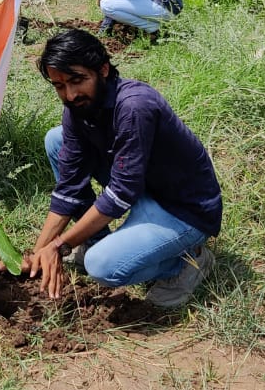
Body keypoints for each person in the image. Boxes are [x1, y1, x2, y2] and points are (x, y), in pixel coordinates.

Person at [25, 29, 222, 309]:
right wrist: (39, 253)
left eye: (77, 80)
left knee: (102, 267)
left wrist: (61, 246)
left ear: (103, 70)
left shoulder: (134, 106)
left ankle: (187, 263)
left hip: (182, 209)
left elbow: (120, 193)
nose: (69, 95)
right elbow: (69, 188)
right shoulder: (78, 108)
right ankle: (95, 239)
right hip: (144, 187)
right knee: (56, 140)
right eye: (59, 86)